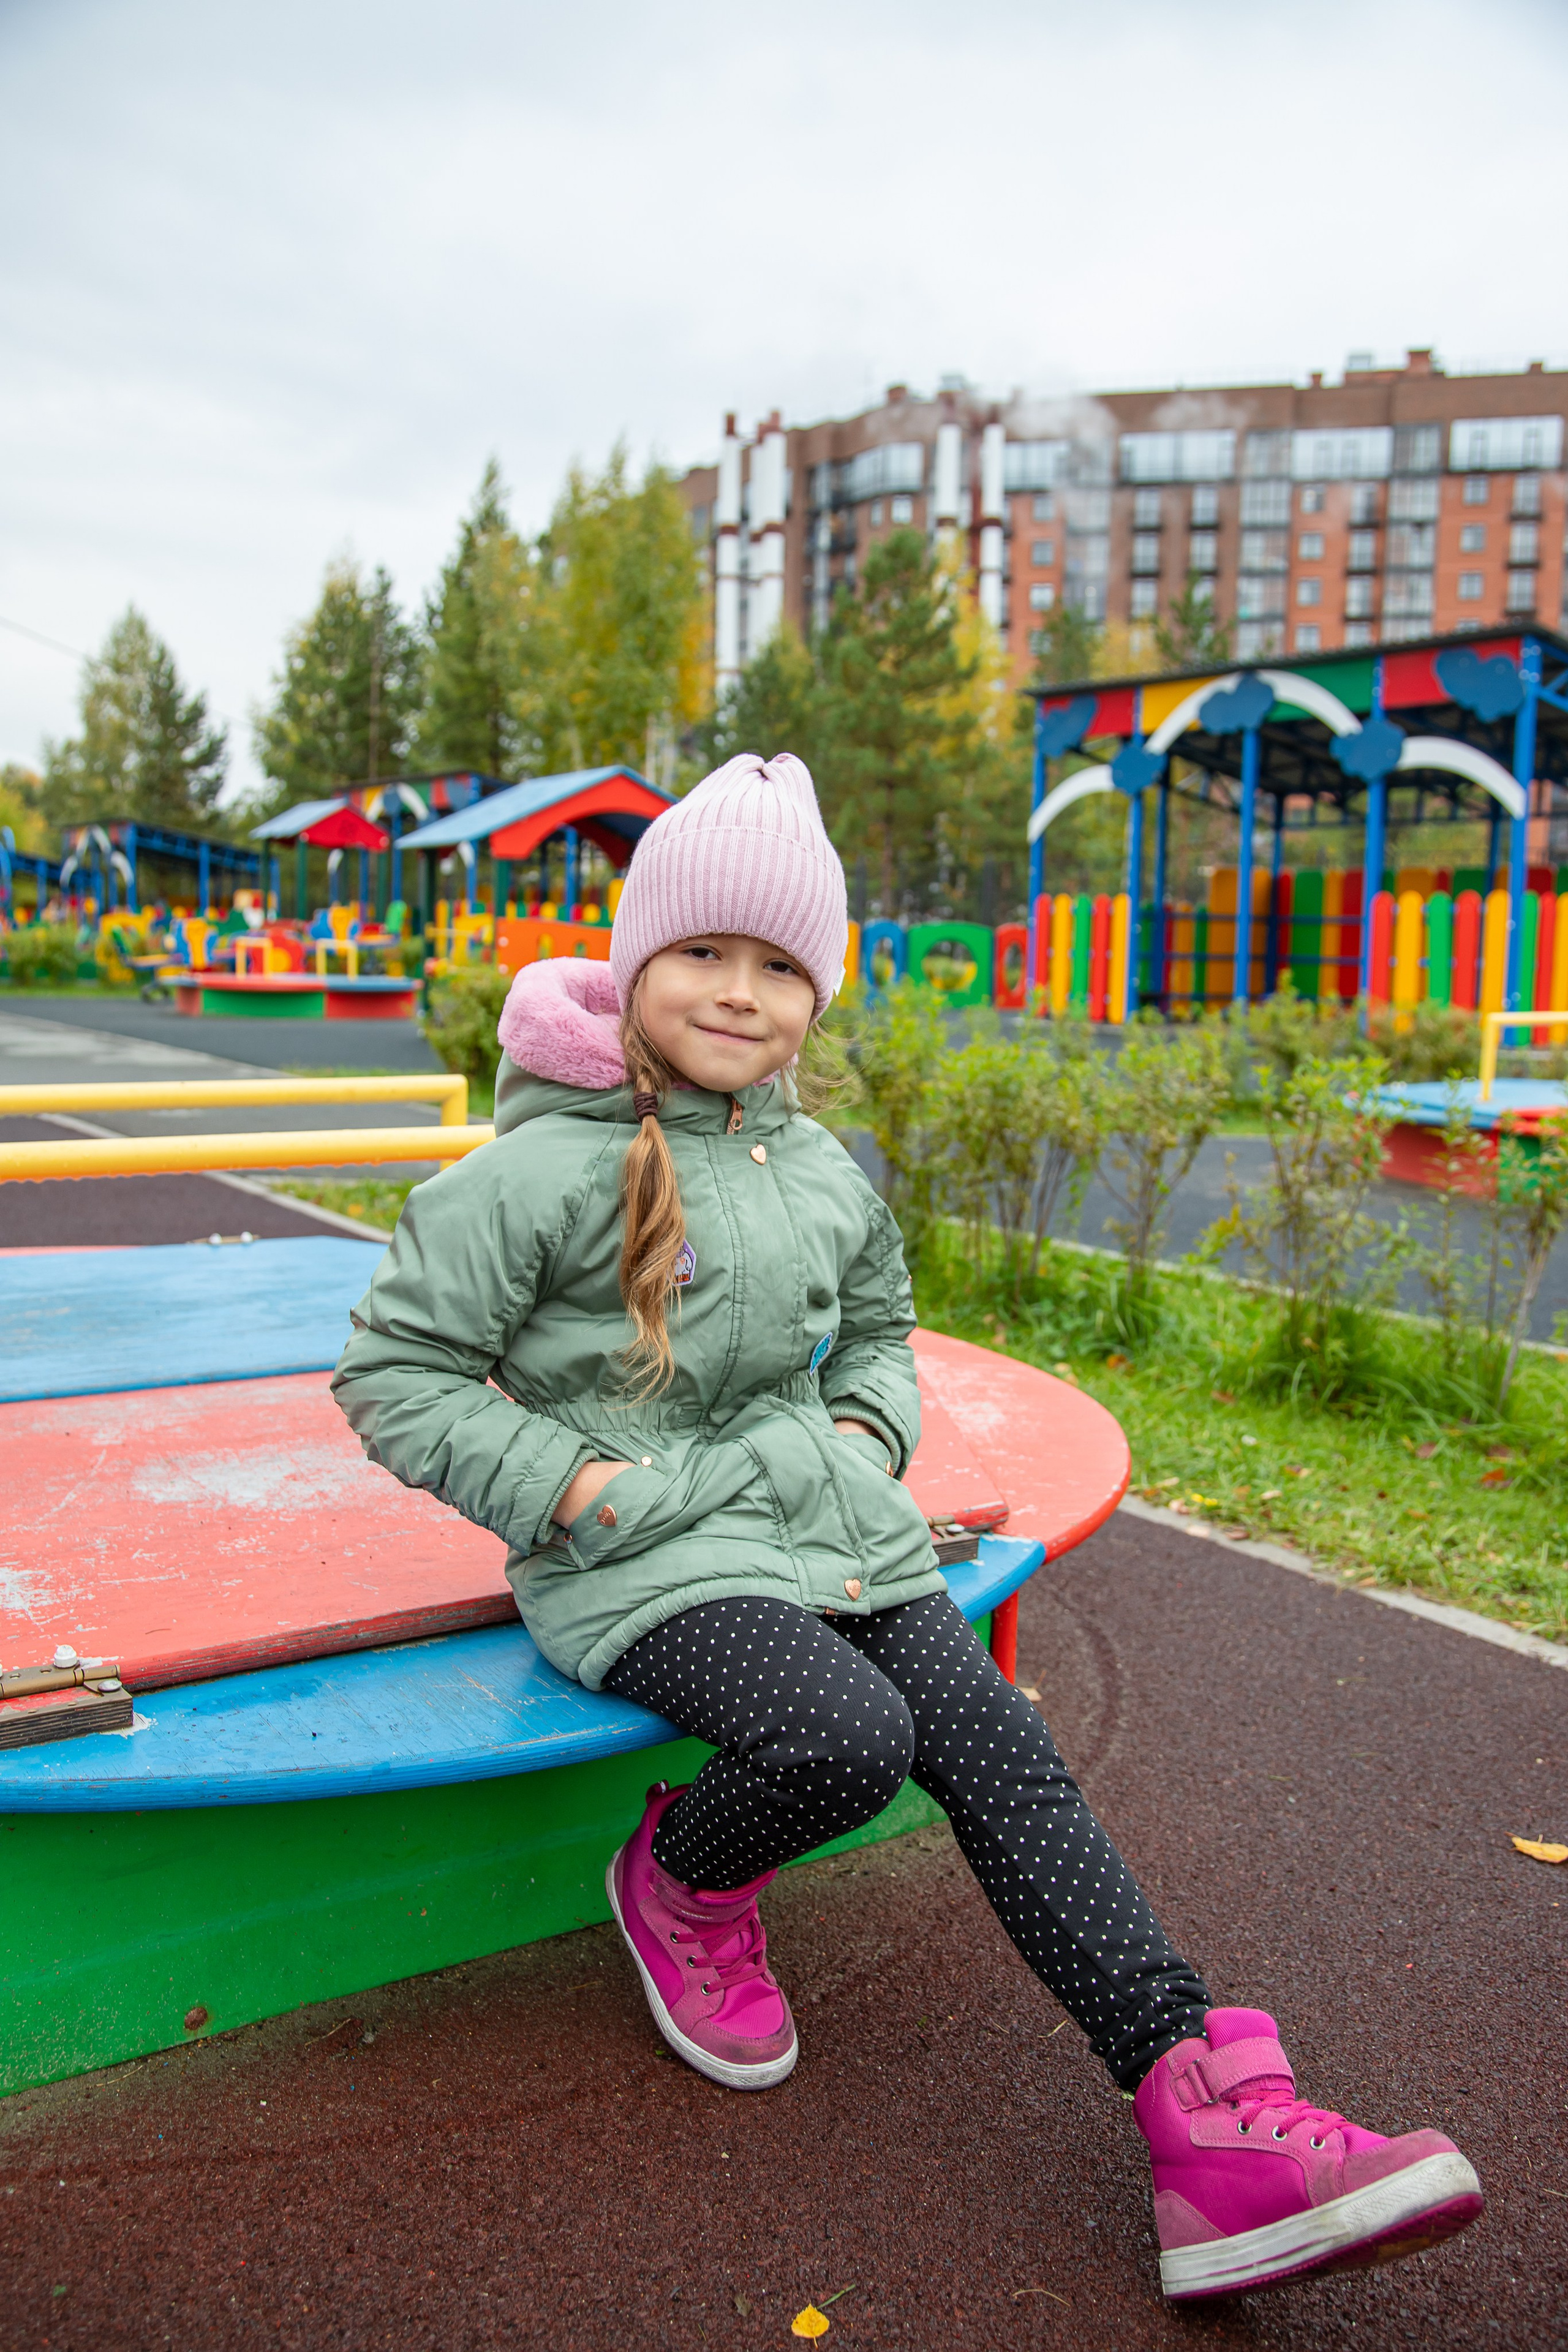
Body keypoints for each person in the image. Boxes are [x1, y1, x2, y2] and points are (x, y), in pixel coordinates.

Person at [333, 753, 1481, 2304]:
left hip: (828, 1521)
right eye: (700, 954)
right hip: (642, 1553)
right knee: (842, 1739)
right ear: (632, 962)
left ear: (818, 990)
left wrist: (871, 1429)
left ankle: (1209, 2126)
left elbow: (877, 1327)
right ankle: (679, 1873)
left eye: (778, 966)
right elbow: (394, 1371)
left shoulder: (814, 1166)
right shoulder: (535, 1172)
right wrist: (574, 1487)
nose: (739, 994)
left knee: (1001, 1752)